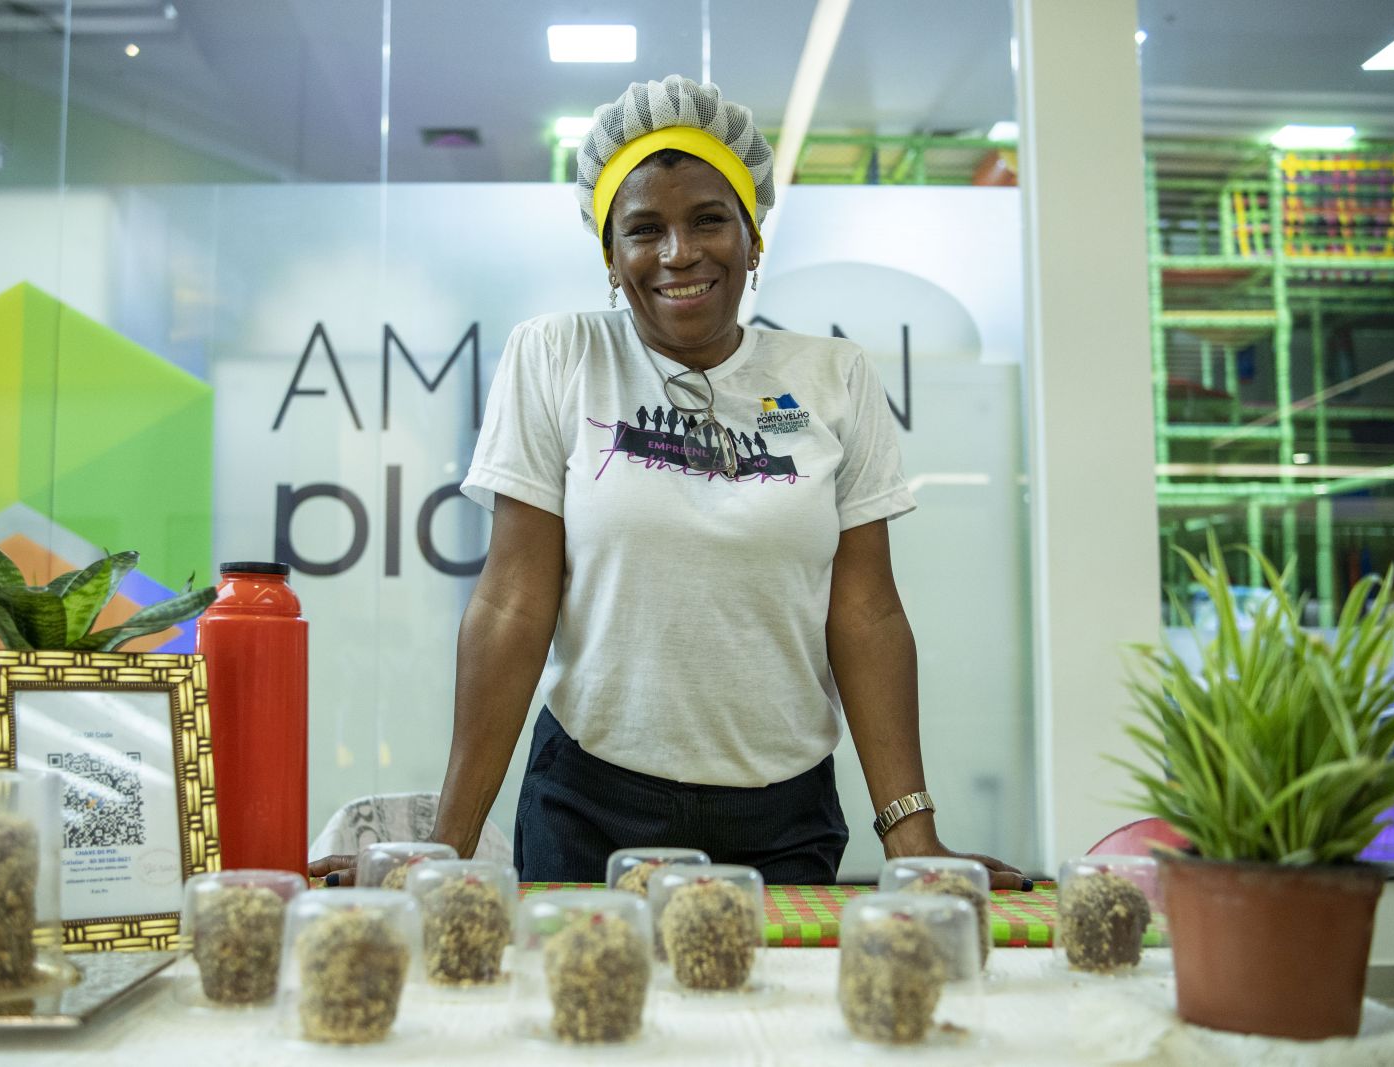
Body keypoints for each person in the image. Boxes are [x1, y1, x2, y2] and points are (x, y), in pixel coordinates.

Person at [314, 75, 1026, 890]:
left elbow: (865, 612)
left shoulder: (834, 376)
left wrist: (914, 838)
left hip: (785, 818)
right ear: (612, 260)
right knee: (585, 1017)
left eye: (709, 219)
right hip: (591, 804)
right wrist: (449, 842)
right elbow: (513, 601)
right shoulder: (560, 356)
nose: (678, 252)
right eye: (644, 229)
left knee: (771, 1020)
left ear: (753, 239)